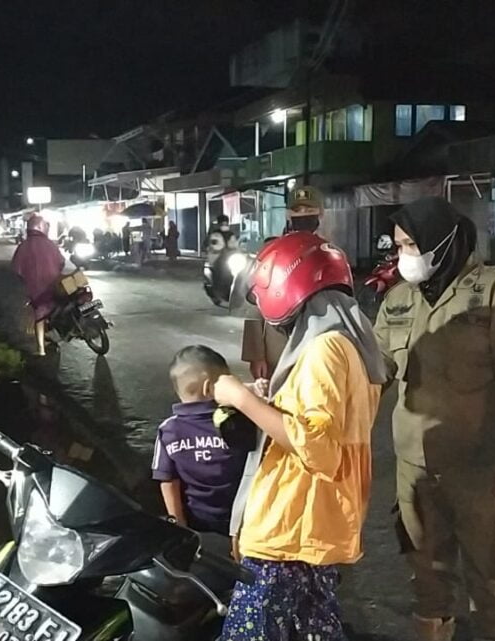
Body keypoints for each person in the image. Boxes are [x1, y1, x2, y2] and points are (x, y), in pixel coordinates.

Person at [373, 197, 495, 641]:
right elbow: (375, 372)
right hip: (415, 470)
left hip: (480, 473)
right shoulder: (399, 299)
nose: (403, 255)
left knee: (492, 584)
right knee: (426, 581)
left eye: (411, 245)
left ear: (441, 242)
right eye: (399, 246)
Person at [214, 232, 386, 641]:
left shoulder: (324, 351)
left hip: (289, 525)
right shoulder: (351, 344)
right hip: (314, 526)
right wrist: (268, 402)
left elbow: (319, 449)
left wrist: (239, 397)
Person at [151, 345, 254, 535]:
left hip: (195, 520)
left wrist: (178, 523)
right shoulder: (238, 421)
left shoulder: (169, 429)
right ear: (209, 388)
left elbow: (167, 479)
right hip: (244, 519)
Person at [241, 185, 325, 379]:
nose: (303, 215)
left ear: (320, 214)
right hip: (277, 347)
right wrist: (256, 355)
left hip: (317, 347)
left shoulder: (328, 253)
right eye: (297, 210)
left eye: (309, 210)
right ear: (288, 214)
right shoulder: (272, 251)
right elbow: (255, 304)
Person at [12, 213, 65, 356]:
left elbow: (17, 269)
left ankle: (41, 349)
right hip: (55, 285)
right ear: (40, 227)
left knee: (39, 316)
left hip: (37, 289)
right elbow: (61, 262)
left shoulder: (23, 246)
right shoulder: (50, 244)